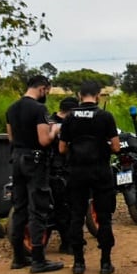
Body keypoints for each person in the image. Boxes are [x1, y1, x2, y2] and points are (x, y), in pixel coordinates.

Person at [59, 81, 120, 274]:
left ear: (79, 95)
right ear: (98, 95)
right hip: (100, 171)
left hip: (76, 172)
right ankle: (105, 263)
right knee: (104, 217)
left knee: (76, 216)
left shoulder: (69, 118)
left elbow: (61, 148)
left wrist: (75, 151)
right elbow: (116, 147)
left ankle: (78, 263)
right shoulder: (105, 116)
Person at [5, 74, 64, 274]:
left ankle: (18, 257)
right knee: (38, 207)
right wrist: (55, 130)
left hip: (17, 159)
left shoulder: (11, 109)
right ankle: (38, 259)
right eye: (47, 91)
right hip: (35, 162)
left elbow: (11, 137)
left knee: (19, 207)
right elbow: (44, 140)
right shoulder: (39, 109)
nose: (46, 94)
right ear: (42, 89)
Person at [48, 96, 79, 254]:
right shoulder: (70, 122)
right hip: (63, 168)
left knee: (61, 206)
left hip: (51, 168)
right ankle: (68, 242)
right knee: (67, 206)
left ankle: (68, 240)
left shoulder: (48, 121)